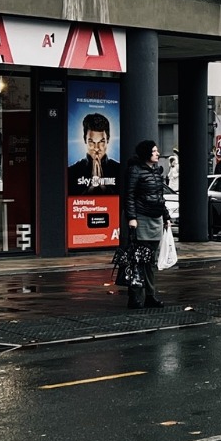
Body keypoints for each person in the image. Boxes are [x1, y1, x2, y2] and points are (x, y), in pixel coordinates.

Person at [122, 140, 170, 308]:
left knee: (151, 260)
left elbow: (159, 196)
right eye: (154, 151)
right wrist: (132, 218)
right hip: (141, 218)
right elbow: (129, 195)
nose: (157, 153)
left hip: (155, 218)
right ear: (146, 153)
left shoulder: (157, 171)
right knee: (138, 258)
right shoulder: (135, 170)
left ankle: (150, 295)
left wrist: (166, 216)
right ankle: (134, 296)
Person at [67, 112, 122, 195]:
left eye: (101, 142)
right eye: (91, 142)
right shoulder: (71, 172)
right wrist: (90, 191)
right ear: (85, 140)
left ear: (108, 140)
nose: (96, 148)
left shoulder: (119, 170)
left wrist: (105, 189)